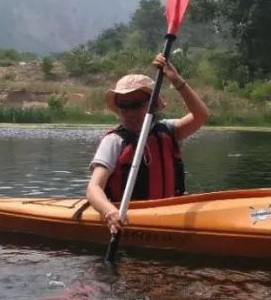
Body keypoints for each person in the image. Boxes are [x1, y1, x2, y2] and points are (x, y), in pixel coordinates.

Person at [86, 53, 209, 234]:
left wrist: (177, 81)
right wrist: (109, 211)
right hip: (129, 217)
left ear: (151, 105)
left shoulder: (168, 130)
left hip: (170, 214)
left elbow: (201, 115)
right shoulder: (113, 141)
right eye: (123, 106)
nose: (128, 112)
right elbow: (93, 187)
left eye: (135, 104)